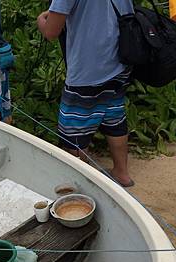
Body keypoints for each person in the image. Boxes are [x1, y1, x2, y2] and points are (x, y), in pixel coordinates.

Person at [37, 0, 134, 187]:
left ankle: (82, 184)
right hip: (119, 61)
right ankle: (122, 173)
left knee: (73, 130)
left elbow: (51, 32)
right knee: (114, 116)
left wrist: (42, 19)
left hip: (87, 69)